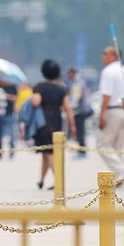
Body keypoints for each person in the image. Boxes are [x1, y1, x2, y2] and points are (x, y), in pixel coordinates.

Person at [32, 59, 76, 190]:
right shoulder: (62, 88)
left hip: (42, 124)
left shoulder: (39, 87)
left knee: (49, 153)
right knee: (47, 152)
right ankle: (42, 179)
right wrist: (73, 125)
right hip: (56, 123)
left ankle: (58, 181)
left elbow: (35, 102)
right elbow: (68, 108)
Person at [97, 46, 124, 183]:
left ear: (112, 55)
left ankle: (122, 169)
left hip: (112, 110)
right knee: (118, 147)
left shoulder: (108, 71)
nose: (102, 56)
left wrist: (102, 114)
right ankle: (120, 176)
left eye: (104, 53)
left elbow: (106, 94)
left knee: (102, 144)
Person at [65, 67, 92, 158]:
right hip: (78, 110)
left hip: (79, 110)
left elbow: (76, 98)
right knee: (79, 131)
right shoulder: (76, 82)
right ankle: (81, 149)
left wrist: (70, 108)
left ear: (72, 74)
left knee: (80, 131)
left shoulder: (78, 82)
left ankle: (82, 151)